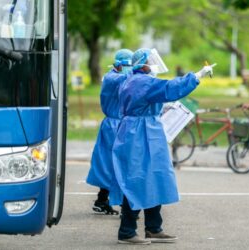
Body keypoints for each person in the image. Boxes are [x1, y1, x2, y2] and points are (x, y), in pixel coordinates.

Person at [110, 48, 214, 245]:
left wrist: (160, 107)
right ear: (143, 63)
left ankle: (153, 228)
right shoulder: (143, 81)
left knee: (153, 177)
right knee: (137, 179)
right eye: (150, 60)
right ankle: (127, 230)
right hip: (140, 134)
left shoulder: (133, 80)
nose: (153, 63)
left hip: (141, 131)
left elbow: (146, 100)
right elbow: (170, 88)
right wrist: (197, 75)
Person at [85, 49, 133, 215]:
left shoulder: (120, 76)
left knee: (110, 164)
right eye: (128, 65)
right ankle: (124, 206)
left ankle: (102, 200)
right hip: (114, 125)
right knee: (116, 164)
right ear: (118, 64)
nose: (130, 68)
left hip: (118, 124)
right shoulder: (111, 77)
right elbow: (123, 79)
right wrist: (137, 70)